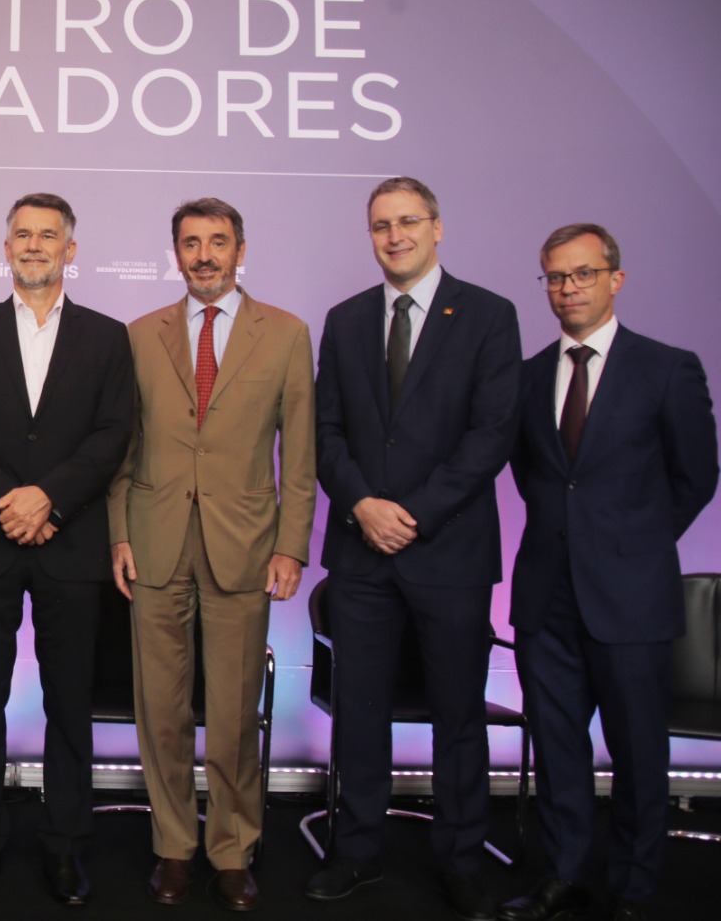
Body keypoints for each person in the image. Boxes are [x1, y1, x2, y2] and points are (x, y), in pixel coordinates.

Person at [307, 176, 521, 920]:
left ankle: (460, 858)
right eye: (380, 225)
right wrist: (363, 506)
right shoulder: (345, 319)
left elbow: (492, 434)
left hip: (449, 553)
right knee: (359, 711)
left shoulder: (489, 315)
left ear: (436, 227)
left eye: (406, 222)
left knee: (457, 713)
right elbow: (325, 431)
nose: (393, 236)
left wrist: (415, 515)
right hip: (361, 550)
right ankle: (356, 849)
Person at [498, 225, 717, 921]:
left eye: (583, 273)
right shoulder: (528, 375)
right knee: (558, 750)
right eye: (556, 277)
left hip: (631, 596)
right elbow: (535, 478)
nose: (569, 288)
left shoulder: (668, 368)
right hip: (546, 598)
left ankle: (632, 887)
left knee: (638, 752)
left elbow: (697, 476)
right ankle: (563, 876)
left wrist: (633, 545)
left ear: (615, 279)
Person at [109, 197, 315, 911]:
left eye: (217, 242)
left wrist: (292, 546)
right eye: (191, 243)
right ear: (176, 254)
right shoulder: (140, 335)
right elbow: (123, 448)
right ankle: (173, 846)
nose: (204, 256)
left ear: (240, 250)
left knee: (232, 716)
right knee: (160, 711)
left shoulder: (286, 334)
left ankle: (232, 849)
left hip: (246, 547)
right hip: (155, 543)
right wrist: (120, 533)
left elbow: (300, 456)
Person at [0, 194, 134, 906]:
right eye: (23, 234)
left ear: (70, 250)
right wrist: (11, 503)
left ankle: (65, 846)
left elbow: (114, 433)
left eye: (49, 235)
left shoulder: (108, 337)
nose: (34, 245)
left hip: (69, 541)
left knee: (70, 701)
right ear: (6, 247)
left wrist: (50, 498)